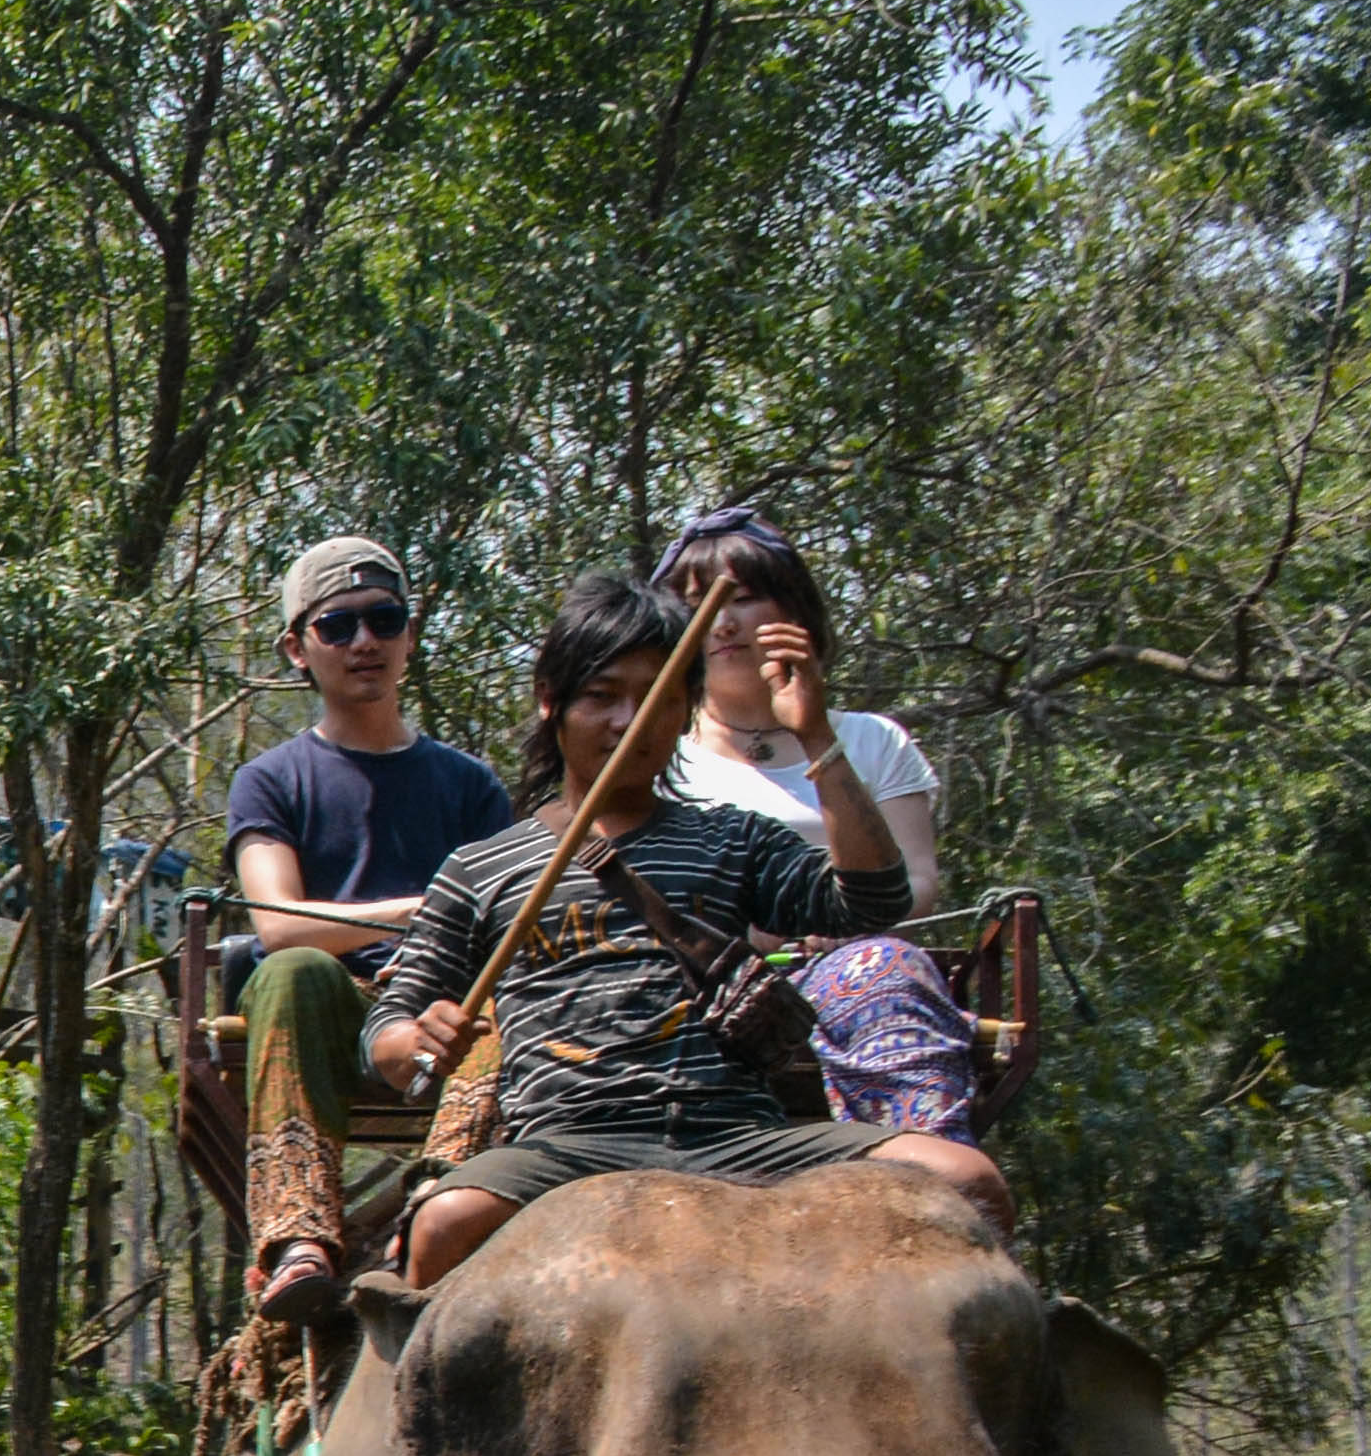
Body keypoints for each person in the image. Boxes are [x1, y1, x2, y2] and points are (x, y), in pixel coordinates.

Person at [369, 572, 1006, 1291]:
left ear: (684, 711)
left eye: (655, 698)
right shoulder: (481, 867)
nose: (627, 722)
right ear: (551, 702)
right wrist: (415, 1042)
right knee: (443, 1224)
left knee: (966, 1178)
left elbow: (872, 901)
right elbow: (389, 1030)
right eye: (602, 696)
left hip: (742, 1139)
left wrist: (816, 734)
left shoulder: (736, 840)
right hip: (564, 1144)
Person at [222, 535, 516, 1313]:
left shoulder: (469, 785)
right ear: (297, 648)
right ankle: (298, 1239)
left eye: (385, 620)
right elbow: (278, 924)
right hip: (331, 1003)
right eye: (338, 626)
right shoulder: (271, 780)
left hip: (445, 1004)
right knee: (291, 970)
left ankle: (443, 1201)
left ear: (409, 637)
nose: (365, 643)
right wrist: (408, 914)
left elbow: (508, 917)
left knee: (506, 1000)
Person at [654, 505, 989, 1136]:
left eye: (745, 598)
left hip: (851, 970)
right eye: (696, 603)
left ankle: (923, 1174)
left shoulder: (874, 742)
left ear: (794, 614)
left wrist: (838, 933)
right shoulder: (650, 752)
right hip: (697, 981)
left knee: (888, 971)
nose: (722, 623)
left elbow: (918, 884)